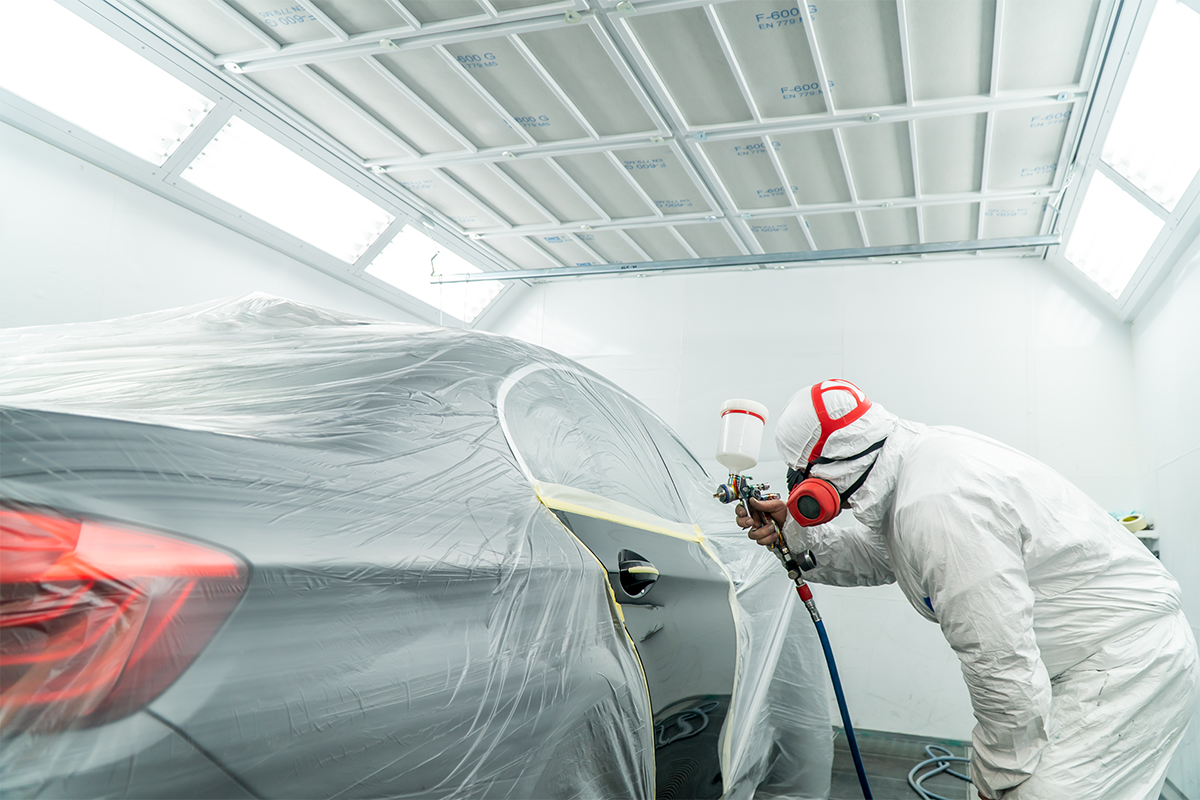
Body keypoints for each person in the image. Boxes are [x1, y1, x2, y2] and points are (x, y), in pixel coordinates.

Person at [737, 379, 1198, 800]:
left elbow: (999, 661)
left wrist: (996, 779)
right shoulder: (913, 469)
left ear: (827, 469)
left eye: (801, 480)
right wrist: (794, 535)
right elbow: (885, 555)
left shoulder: (938, 501)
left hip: (1126, 664)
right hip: (1089, 660)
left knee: (1031, 793)